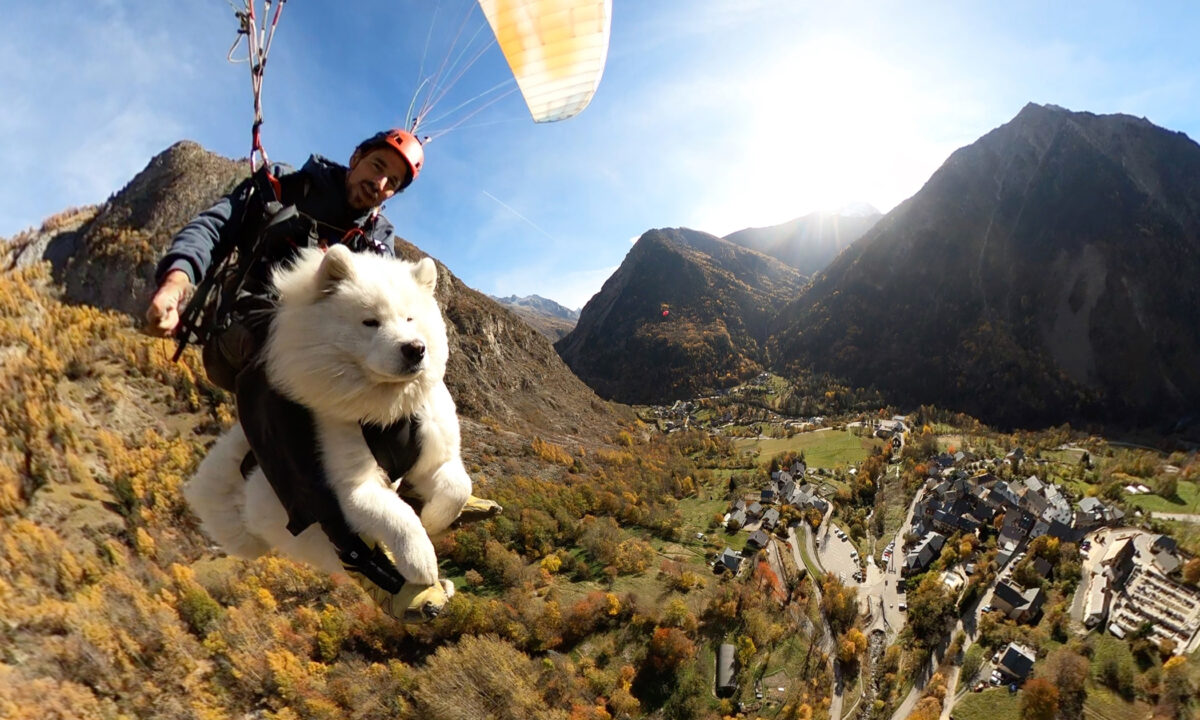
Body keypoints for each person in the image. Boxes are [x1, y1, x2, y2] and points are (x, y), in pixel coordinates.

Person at [146, 130, 497, 621]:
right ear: (356, 158)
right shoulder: (280, 189)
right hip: (248, 334)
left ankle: (429, 481)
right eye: (377, 167)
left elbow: (389, 318)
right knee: (276, 380)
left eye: (393, 182)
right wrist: (175, 285)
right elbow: (209, 230)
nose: (380, 184)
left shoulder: (379, 241)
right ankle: (351, 547)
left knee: (406, 374)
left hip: (337, 349)